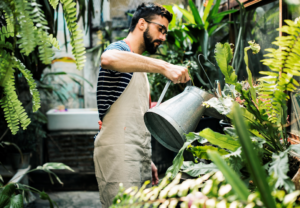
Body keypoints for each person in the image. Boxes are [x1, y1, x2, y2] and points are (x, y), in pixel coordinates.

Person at [93, 3, 190, 208]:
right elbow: (107, 59)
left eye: (165, 32)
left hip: (139, 153)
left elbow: (137, 118)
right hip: (118, 151)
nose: (163, 37)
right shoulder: (119, 50)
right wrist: (165, 67)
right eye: (160, 29)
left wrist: (147, 158)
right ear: (142, 24)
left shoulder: (140, 67)